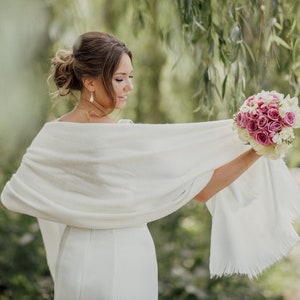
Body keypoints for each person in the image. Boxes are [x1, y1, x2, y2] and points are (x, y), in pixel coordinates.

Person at [1, 32, 300, 300]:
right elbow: (203, 190)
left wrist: (252, 144)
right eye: (120, 78)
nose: (129, 87)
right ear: (90, 81)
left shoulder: (52, 136)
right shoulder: (125, 140)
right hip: (122, 252)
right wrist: (257, 150)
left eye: (131, 77)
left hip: (80, 253)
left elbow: (15, 195)